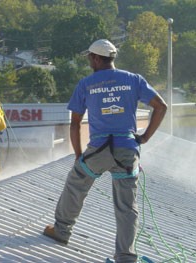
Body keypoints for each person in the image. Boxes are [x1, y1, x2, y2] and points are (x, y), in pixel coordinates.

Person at [43, 39, 167, 263]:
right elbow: (161, 106)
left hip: (99, 150)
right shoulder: (133, 80)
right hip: (127, 150)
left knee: (76, 182)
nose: (89, 60)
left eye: (90, 56)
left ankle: (61, 231)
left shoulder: (86, 84)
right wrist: (145, 137)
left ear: (97, 58)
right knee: (127, 206)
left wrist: (79, 156)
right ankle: (126, 257)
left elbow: (74, 124)